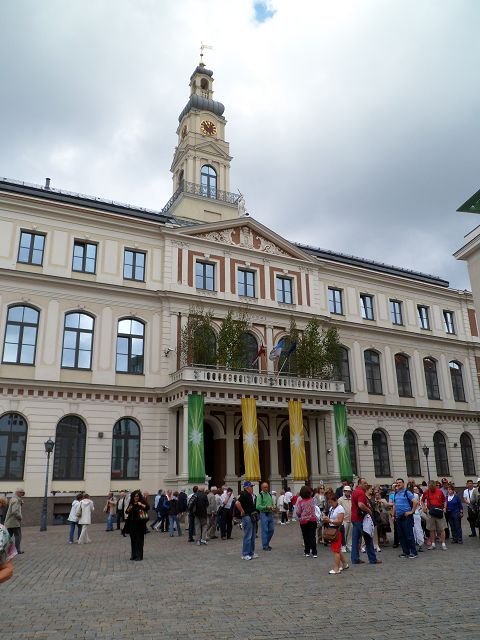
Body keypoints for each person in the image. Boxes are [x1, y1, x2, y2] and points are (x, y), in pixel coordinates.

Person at [351, 478, 381, 566]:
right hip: (361, 519)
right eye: (364, 483)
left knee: (355, 539)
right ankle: (373, 559)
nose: (366, 485)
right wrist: (368, 510)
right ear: (359, 484)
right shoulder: (361, 492)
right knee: (368, 538)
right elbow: (360, 505)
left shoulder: (355, 491)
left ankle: (355, 558)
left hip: (355, 518)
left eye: (366, 483)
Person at [324, 491, 349, 574]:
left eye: (331, 502)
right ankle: (344, 564)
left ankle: (336, 568)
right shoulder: (332, 508)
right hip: (333, 529)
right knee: (337, 549)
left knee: (336, 551)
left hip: (337, 529)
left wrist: (330, 520)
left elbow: (339, 521)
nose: (330, 504)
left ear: (336, 500)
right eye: (329, 502)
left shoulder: (340, 508)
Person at [392, 478, 417, 559]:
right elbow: (395, 505)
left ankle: (413, 552)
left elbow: (415, 502)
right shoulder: (396, 493)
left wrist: (411, 511)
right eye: (397, 483)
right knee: (401, 535)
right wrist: (393, 515)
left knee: (409, 535)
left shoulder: (407, 492)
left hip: (406, 517)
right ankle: (405, 552)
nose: (398, 484)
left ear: (403, 484)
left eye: (400, 482)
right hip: (398, 517)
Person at [421, 479, 447, 550]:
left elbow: (444, 500)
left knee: (442, 528)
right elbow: (422, 501)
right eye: (430, 487)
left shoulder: (439, 491)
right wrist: (424, 507)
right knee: (431, 529)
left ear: (435, 486)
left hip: (439, 511)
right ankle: (433, 544)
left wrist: (445, 508)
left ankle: (443, 543)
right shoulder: (426, 492)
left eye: (433, 487)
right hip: (430, 512)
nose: (431, 489)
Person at [236, 481, 258, 560]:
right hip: (247, 517)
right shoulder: (244, 494)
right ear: (247, 487)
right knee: (248, 536)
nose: (252, 488)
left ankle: (251, 552)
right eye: (251, 486)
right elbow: (237, 503)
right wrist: (242, 511)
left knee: (252, 536)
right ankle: (245, 554)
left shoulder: (249, 495)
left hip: (251, 516)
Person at [125, 489, 148, 560]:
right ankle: (134, 555)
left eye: (137, 496)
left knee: (139, 540)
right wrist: (129, 508)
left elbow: (147, 507)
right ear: (133, 497)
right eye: (135, 496)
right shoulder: (131, 503)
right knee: (133, 540)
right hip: (132, 524)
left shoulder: (142, 502)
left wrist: (141, 504)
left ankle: (139, 556)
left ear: (139, 496)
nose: (136, 497)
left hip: (140, 525)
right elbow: (126, 512)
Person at [296, 485, 317, 558]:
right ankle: (314, 552)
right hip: (312, 520)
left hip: (304, 521)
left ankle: (307, 551)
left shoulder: (301, 502)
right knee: (312, 536)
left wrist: (299, 516)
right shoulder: (312, 500)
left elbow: (298, 512)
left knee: (306, 536)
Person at [4, 488, 25, 554]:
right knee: (18, 536)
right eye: (21, 493)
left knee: (8, 537)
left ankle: (4, 550)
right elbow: (14, 511)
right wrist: (20, 517)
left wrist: (20, 503)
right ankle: (17, 550)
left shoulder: (14, 499)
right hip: (14, 522)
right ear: (17, 493)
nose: (22, 494)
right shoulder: (16, 500)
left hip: (10, 522)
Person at [256, 481, 275, 551]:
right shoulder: (260, 495)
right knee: (265, 530)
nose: (266, 488)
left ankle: (266, 543)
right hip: (263, 514)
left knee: (271, 530)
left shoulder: (269, 494)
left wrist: (273, 507)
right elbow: (258, 506)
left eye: (267, 487)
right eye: (264, 487)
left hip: (270, 514)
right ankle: (265, 546)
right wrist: (266, 507)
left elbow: (271, 503)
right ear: (261, 488)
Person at [338, 486, 352, 551]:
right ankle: (343, 545)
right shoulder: (340, 499)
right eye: (346, 491)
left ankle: (349, 545)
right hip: (344, 519)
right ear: (344, 491)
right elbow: (338, 509)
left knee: (350, 534)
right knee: (343, 533)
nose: (347, 492)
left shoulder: (352, 498)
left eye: (349, 491)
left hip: (351, 519)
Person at [412, 484, 425, 552]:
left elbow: (417, 504)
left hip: (415, 513)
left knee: (418, 529)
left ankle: (420, 544)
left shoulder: (415, 495)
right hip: (413, 513)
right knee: (413, 530)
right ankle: (414, 544)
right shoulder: (411, 495)